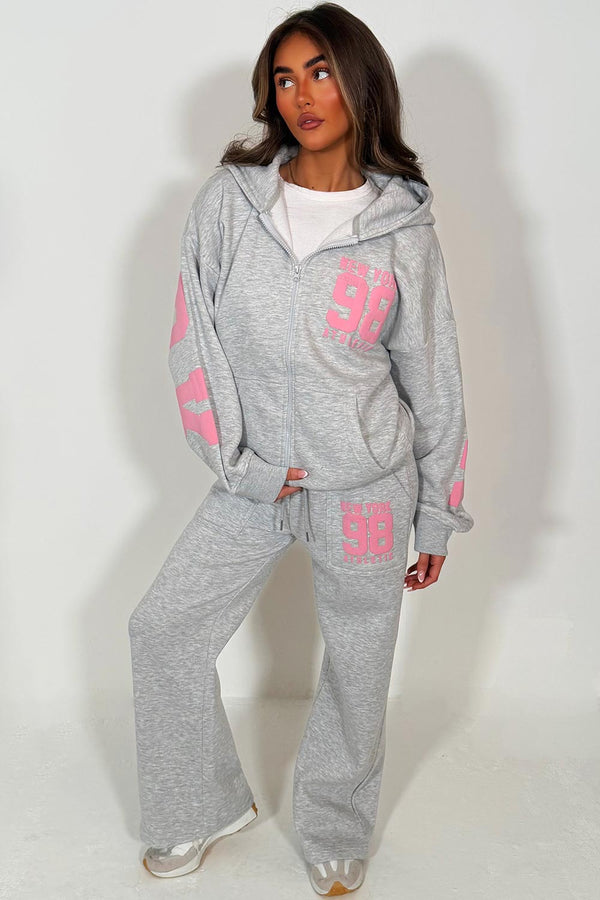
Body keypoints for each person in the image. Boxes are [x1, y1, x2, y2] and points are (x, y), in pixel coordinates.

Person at [127, 2, 474, 895]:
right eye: (284, 78)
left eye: (320, 72)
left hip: (368, 488)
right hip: (254, 480)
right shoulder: (230, 204)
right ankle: (199, 805)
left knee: (358, 667)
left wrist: (436, 512)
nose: (302, 95)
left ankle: (335, 825)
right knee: (162, 630)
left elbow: (433, 376)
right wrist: (237, 463)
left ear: (360, 83)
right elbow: (193, 345)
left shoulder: (403, 230)